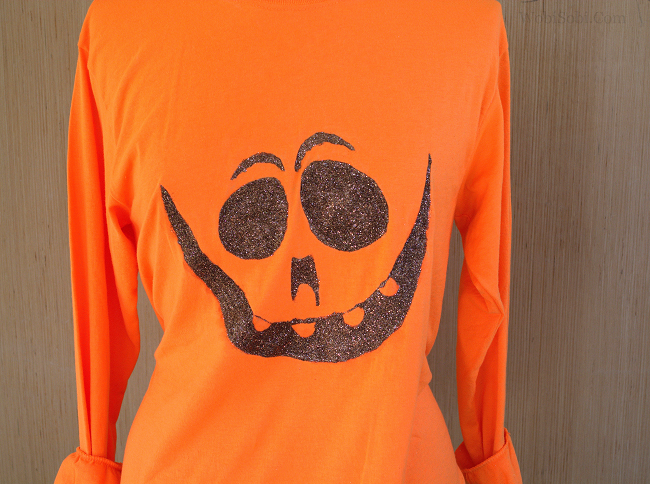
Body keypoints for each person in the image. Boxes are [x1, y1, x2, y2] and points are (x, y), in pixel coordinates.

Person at [55, 0, 522, 482]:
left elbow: (489, 284)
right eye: (253, 221)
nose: (305, 281)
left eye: (344, 204)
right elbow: (97, 290)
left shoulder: (465, 20)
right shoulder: (119, 25)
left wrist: (488, 451)